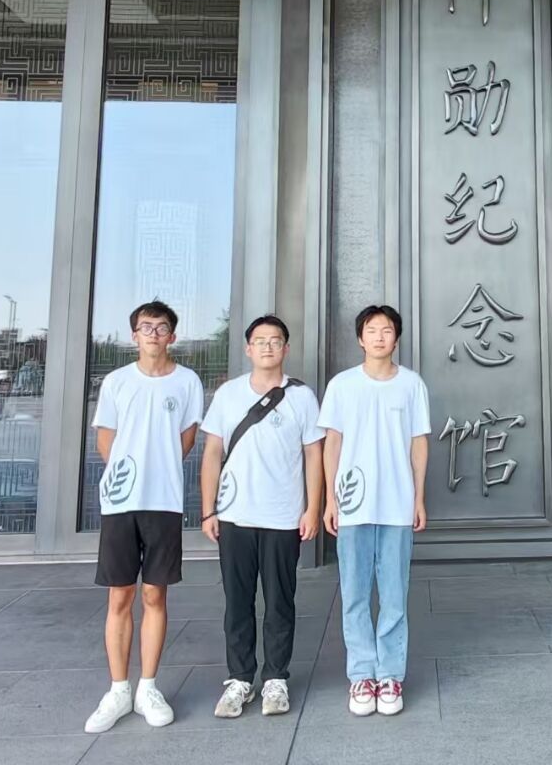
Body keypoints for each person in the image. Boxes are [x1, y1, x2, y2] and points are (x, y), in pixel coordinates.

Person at [84, 300, 204, 734]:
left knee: (155, 595)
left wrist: (158, 471)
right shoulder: (117, 382)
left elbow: (186, 439)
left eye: (161, 327)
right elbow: (106, 439)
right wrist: (127, 478)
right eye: (146, 327)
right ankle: (118, 689)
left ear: (173, 335)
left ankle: (147, 687)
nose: (153, 333)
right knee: (120, 596)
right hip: (121, 503)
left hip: (164, 501)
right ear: (134, 335)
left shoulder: (187, 382)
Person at [199, 314, 324, 719]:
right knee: (237, 602)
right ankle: (239, 679)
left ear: (286, 348)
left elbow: (314, 455)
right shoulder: (228, 394)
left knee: (279, 602)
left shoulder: (301, 397)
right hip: (234, 514)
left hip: (283, 516)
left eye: (275, 340)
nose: (267, 346)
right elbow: (212, 453)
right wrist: (208, 509)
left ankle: (275, 678)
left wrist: (312, 508)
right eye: (260, 340)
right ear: (247, 348)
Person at [318, 304, 429, 718]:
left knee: (395, 594)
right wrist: (330, 499)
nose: (379, 336)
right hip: (353, 504)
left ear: (396, 338)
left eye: (386, 330)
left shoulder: (411, 384)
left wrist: (418, 498)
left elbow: (419, 443)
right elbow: (332, 443)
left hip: (397, 503)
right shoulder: (343, 385)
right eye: (371, 330)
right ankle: (362, 675)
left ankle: (390, 675)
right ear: (360, 338)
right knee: (354, 594)